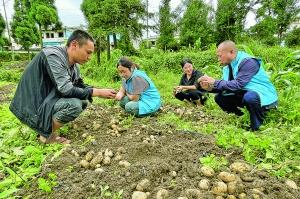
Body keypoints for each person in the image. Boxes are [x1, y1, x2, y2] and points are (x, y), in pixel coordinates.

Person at [10, 30, 116, 144]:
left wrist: (101, 91)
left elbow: (78, 85)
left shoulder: (74, 66)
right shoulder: (53, 56)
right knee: (74, 106)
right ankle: (45, 134)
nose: (89, 57)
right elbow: (66, 89)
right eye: (88, 52)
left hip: (47, 99)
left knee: (83, 102)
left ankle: (45, 127)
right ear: (74, 45)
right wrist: (98, 92)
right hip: (32, 105)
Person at [199, 40, 278, 131]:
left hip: (264, 97)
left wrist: (215, 81)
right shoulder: (228, 67)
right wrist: (209, 87)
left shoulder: (248, 62)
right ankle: (242, 117)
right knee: (219, 98)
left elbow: (238, 84)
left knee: (250, 97)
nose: (218, 59)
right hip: (245, 93)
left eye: (220, 56)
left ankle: (257, 126)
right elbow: (226, 86)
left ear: (231, 52)